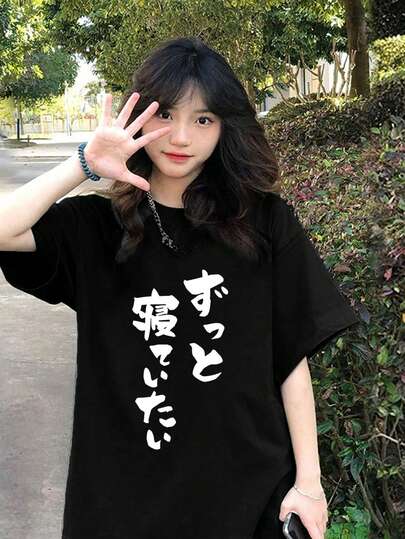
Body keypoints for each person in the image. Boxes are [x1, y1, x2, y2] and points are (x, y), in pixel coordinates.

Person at [0, 36, 360, 539]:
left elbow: (290, 358)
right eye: (166, 115)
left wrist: (310, 484)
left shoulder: (264, 222)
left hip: (246, 497)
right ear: (139, 116)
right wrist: (82, 163)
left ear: (225, 127)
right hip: (121, 504)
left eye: (203, 119)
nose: (181, 137)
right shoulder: (97, 228)